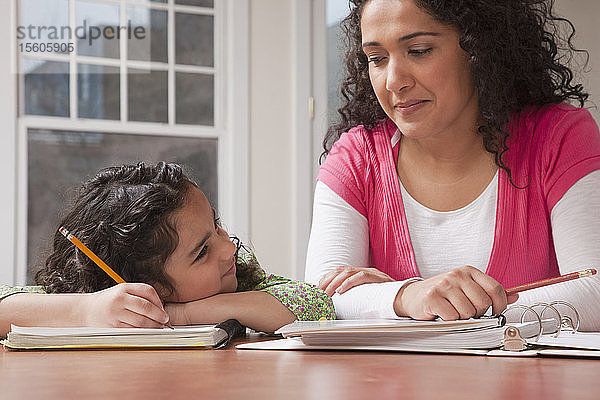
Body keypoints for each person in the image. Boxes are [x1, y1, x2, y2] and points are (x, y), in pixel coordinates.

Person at [305, 0, 600, 330]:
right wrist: (408, 296)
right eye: (376, 59)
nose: (393, 81)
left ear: (480, 48)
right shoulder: (356, 157)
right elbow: (317, 301)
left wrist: (428, 308)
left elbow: (596, 292)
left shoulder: (559, 137)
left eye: (418, 50)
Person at [0, 162, 334, 337]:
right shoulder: (97, 299)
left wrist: (184, 315)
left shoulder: (241, 275)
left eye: (215, 225)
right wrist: (86, 312)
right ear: (148, 283)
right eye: (202, 251)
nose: (227, 248)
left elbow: (316, 305)